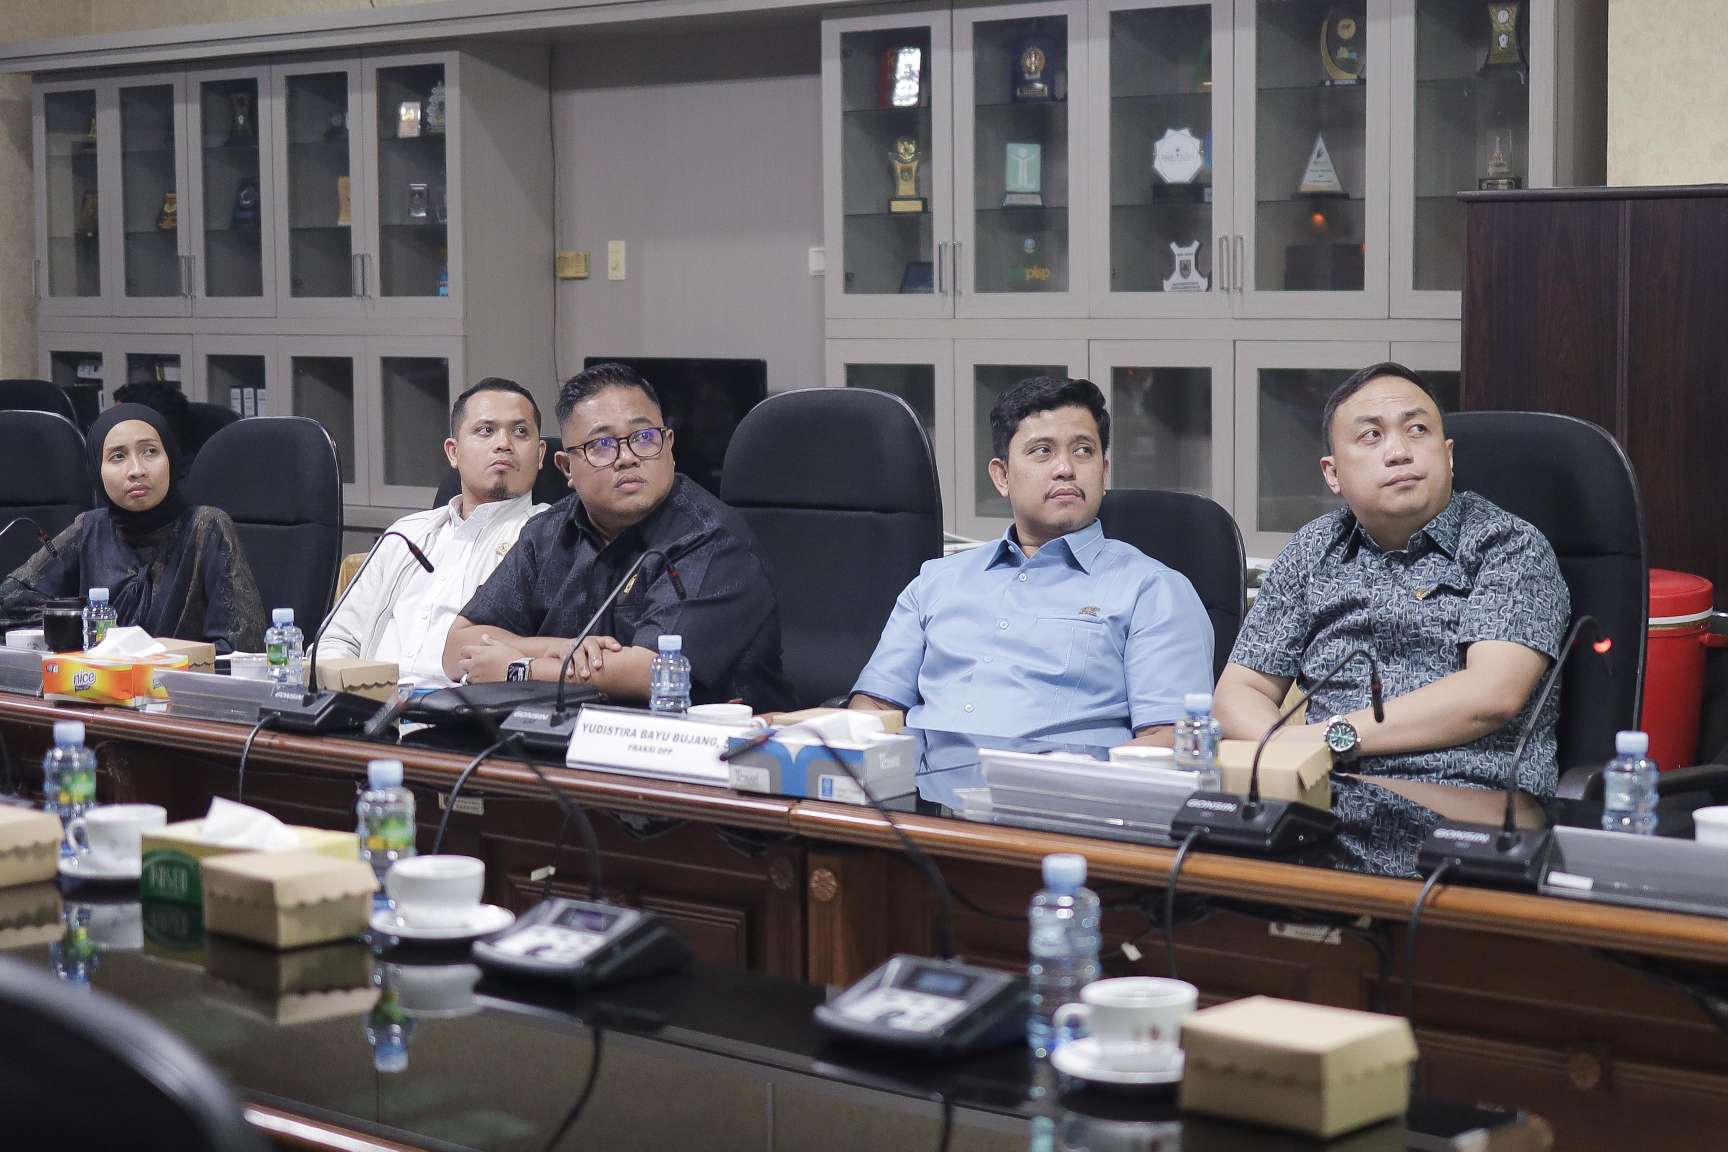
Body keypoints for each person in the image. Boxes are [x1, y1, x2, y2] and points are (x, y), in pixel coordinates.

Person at [1214, 362, 1570, 875]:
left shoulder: (1507, 546)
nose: (1399, 451)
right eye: (1371, 436)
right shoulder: (1313, 549)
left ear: (1448, 456)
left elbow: (1492, 695)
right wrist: (1287, 757)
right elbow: (1238, 691)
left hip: (1468, 816)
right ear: (1333, 474)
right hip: (1326, 807)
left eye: (1417, 429)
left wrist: (1331, 739)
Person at [849, 376, 1213, 747]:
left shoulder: (1153, 591)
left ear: (1104, 472)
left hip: (1060, 783)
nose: (1065, 468)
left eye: (1083, 451)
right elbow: (875, 705)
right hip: (918, 781)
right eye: (1042, 451)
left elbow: (1170, 739)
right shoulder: (936, 582)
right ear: (1002, 476)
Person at [441, 362, 790, 710]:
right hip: (563, 731)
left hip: (703, 737)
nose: (627, 458)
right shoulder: (547, 533)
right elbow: (458, 647)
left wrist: (520, 669)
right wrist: (559, 648)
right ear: (567, 467)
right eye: (602, 444)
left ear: (669, 447)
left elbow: (652, 671)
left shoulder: (712, 536)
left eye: (644, 438)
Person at [314, 378, 552, 686]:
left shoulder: (549, 537)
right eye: (486, 430)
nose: (504, 443)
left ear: (540, 454)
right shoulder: (405, 535)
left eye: (520, 431)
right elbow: (338, 639)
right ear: (453, 452)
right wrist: (348, 695)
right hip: (369, 701)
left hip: (468, 709)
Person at [0, 403, 265, 653]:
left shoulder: (207, 526)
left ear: (171, 459)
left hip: (178, 682)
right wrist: (84, 624)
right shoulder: (89, 528)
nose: (137, 470)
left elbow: (242, 646)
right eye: (118, 456)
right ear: (97, 470)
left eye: (150, 452)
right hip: (96, 681)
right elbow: (9, 604)